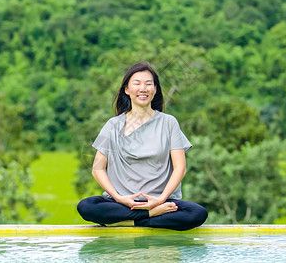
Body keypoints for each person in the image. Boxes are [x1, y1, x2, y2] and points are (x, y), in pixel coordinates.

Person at [77, 62, 208, 231]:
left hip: (161, 202)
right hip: (123, 204)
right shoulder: (113, 125)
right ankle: (148, 216)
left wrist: (160, 200)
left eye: (148, 84)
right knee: (86, 206)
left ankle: (128, 221)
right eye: (137, 83)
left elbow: (180, 168)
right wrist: (119, 198)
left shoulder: (169, 123)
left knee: (196, 213)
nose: (143, 88)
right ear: (127, 90)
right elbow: (97, 169)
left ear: (155, 89)